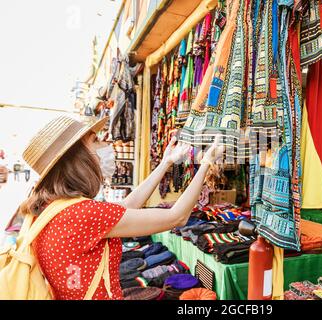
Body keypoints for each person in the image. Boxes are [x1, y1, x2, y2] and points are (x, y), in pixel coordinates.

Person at [19, 116, 224, 300]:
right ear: (77, 157)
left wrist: (165, 163)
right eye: (95, 141)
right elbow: (176, 217)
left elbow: (127, 206)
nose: (105, 144)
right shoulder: (82, 214)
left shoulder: (51, 209)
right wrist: (206, 162)